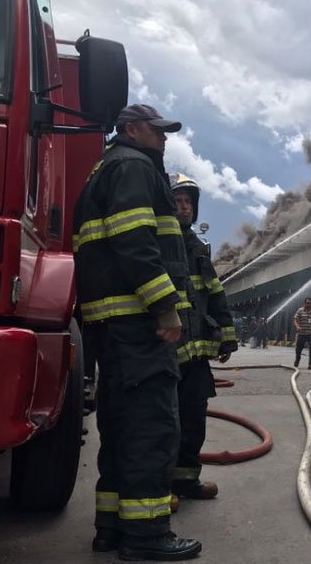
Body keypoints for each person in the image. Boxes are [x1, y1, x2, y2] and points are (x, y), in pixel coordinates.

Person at [73, 104, 202, 561]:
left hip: (110, 326)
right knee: (151, 428)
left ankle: (111, 527)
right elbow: (136, 243)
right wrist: (165, 306)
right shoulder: (133, 167)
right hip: (138, 323)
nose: (164, 139)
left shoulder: (105, 169)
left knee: (120, 425)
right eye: (157, 131)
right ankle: (146, 536)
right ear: (131, 130)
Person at [169, 174, 239, 501]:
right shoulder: (156, 240)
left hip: (194, 358)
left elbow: (214, 293)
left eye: (188, 203)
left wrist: (226, 337)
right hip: (165, 353)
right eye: (177, 201)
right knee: (163, 423)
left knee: (193, 419)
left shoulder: (198, 247)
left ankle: (186, 480)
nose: (183, 208)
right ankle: (157, 488)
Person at [293, 298, 311, 369]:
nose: (308, 304)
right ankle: (297, 359)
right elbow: (295, 319)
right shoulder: (300, 310)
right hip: (302, 333)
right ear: (304, 303)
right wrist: (297, 326)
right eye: (307, 303)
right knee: (298, 349)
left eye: (310, 303)